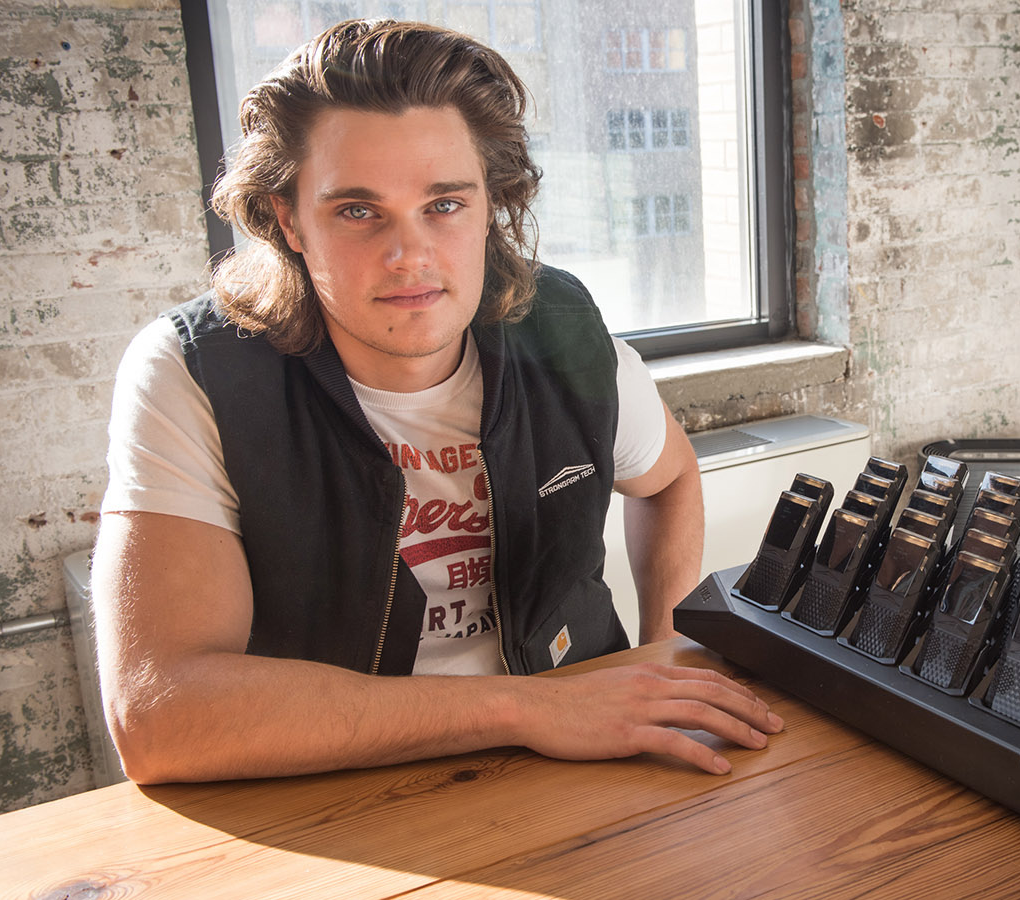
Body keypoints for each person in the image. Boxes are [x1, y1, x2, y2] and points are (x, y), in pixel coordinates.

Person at [92, 18, 782, 785]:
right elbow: (160, 718)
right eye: (358, 211)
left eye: (444, 204)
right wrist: (523, 709)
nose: (409, 255)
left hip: (591, 762)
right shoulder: (196, 373)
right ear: (289, 220)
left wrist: (662, 652)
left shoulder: (562, 329)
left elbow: (671, 478)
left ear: (490, 204)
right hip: (335, 789)